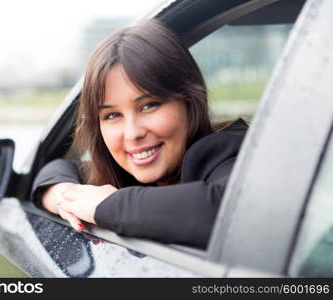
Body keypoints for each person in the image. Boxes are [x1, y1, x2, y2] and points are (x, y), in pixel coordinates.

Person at [31, 19, 248, 249]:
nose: (132, 133)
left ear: (189, 100)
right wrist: (68, 198)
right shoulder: (121, 172)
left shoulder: (227, 153)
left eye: (149, 105)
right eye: (112, 115)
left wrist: (105, 206)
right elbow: (57, 170)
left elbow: (228, 210)